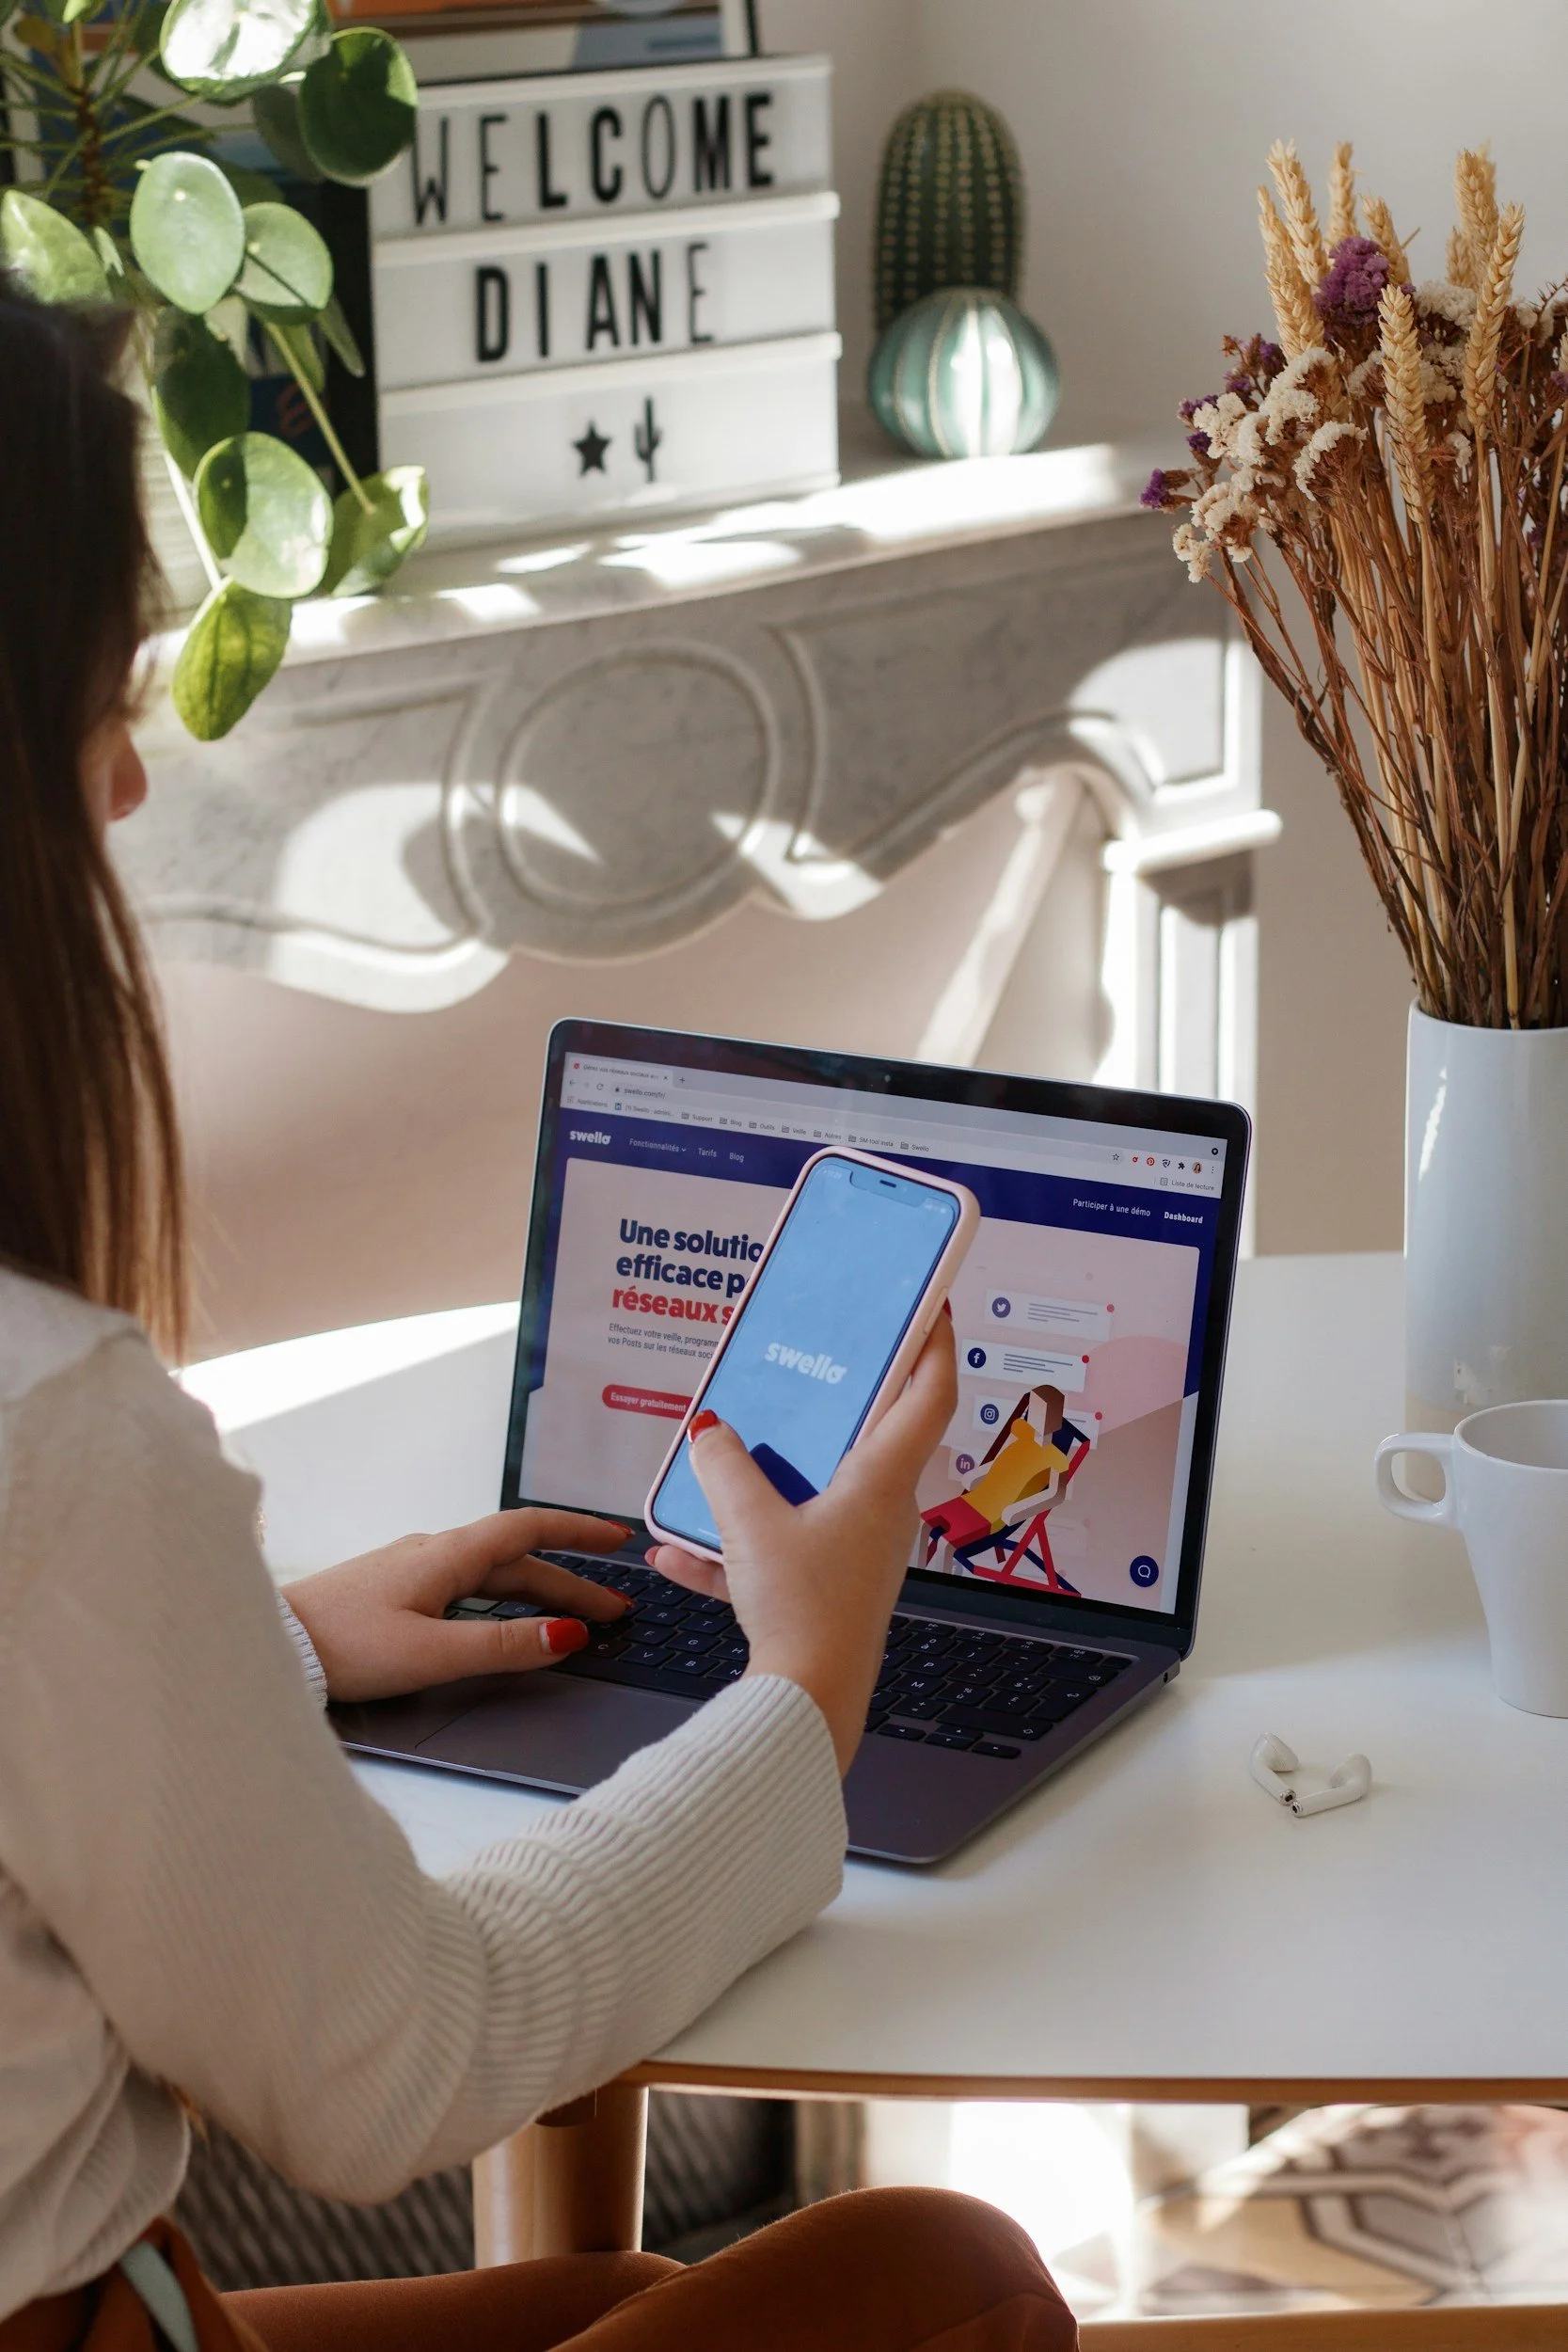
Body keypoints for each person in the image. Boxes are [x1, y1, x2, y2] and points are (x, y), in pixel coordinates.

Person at [0, 285, 1078, 2352]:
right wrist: (803, 1690)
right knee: (947, 2279)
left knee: (615, 2290)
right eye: (92, 694)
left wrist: (260, 1649)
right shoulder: (58, 1430)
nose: (125, 779)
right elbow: (399, 2059)